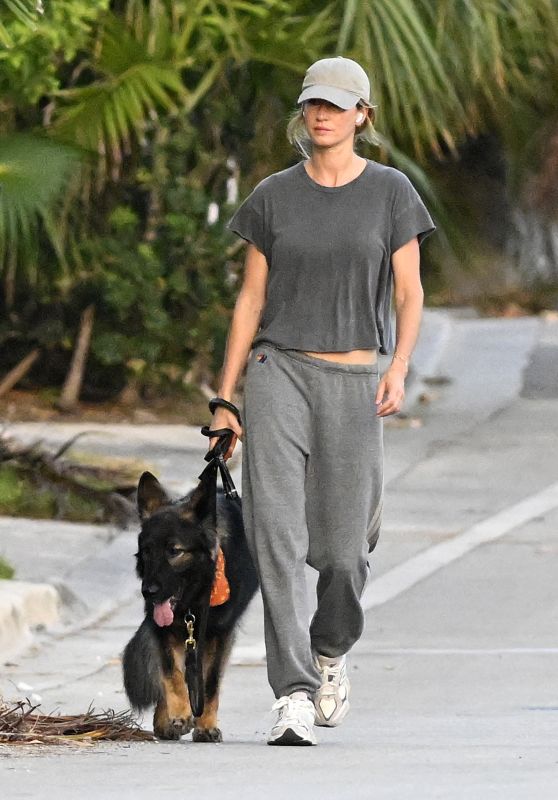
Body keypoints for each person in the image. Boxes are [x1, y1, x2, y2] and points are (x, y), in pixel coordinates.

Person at [208, 56, 436, 746]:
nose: (322, 115)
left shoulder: (392, 192)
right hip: (279, 369)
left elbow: (409, 291)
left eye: (337, 106)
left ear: (362, 115)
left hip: (355, 377)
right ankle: (293, 692)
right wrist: (225, 398)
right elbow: (250, 299)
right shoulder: (273, 196)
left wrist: (399, 365)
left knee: (343, 549)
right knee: (274, 534)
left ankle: (331, 648)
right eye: (313, 104)